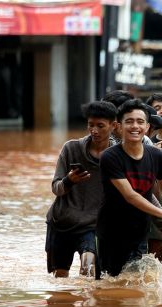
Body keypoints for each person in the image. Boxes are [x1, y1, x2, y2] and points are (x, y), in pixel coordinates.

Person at [95, 99, 162, 278]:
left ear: (147, 126)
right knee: (108, 286)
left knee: (136, 286)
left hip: (139, 231)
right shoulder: (109, 157)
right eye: (129, 121)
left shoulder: (156, 155)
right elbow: (131, 196)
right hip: (111, 233)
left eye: (140, 122)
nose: (134, 126)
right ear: (118, 126)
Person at [45, 101, 117, 277]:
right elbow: (56, 188)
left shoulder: (118, 155)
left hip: (92, 225)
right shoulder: (71, 148)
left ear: (114, 126)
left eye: (100, 126)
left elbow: (135, 193)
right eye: (91, 125)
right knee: (60, 277)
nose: (94, 130)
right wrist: (69, 180)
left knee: (88, 269)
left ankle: (89, 303)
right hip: (61, 222)